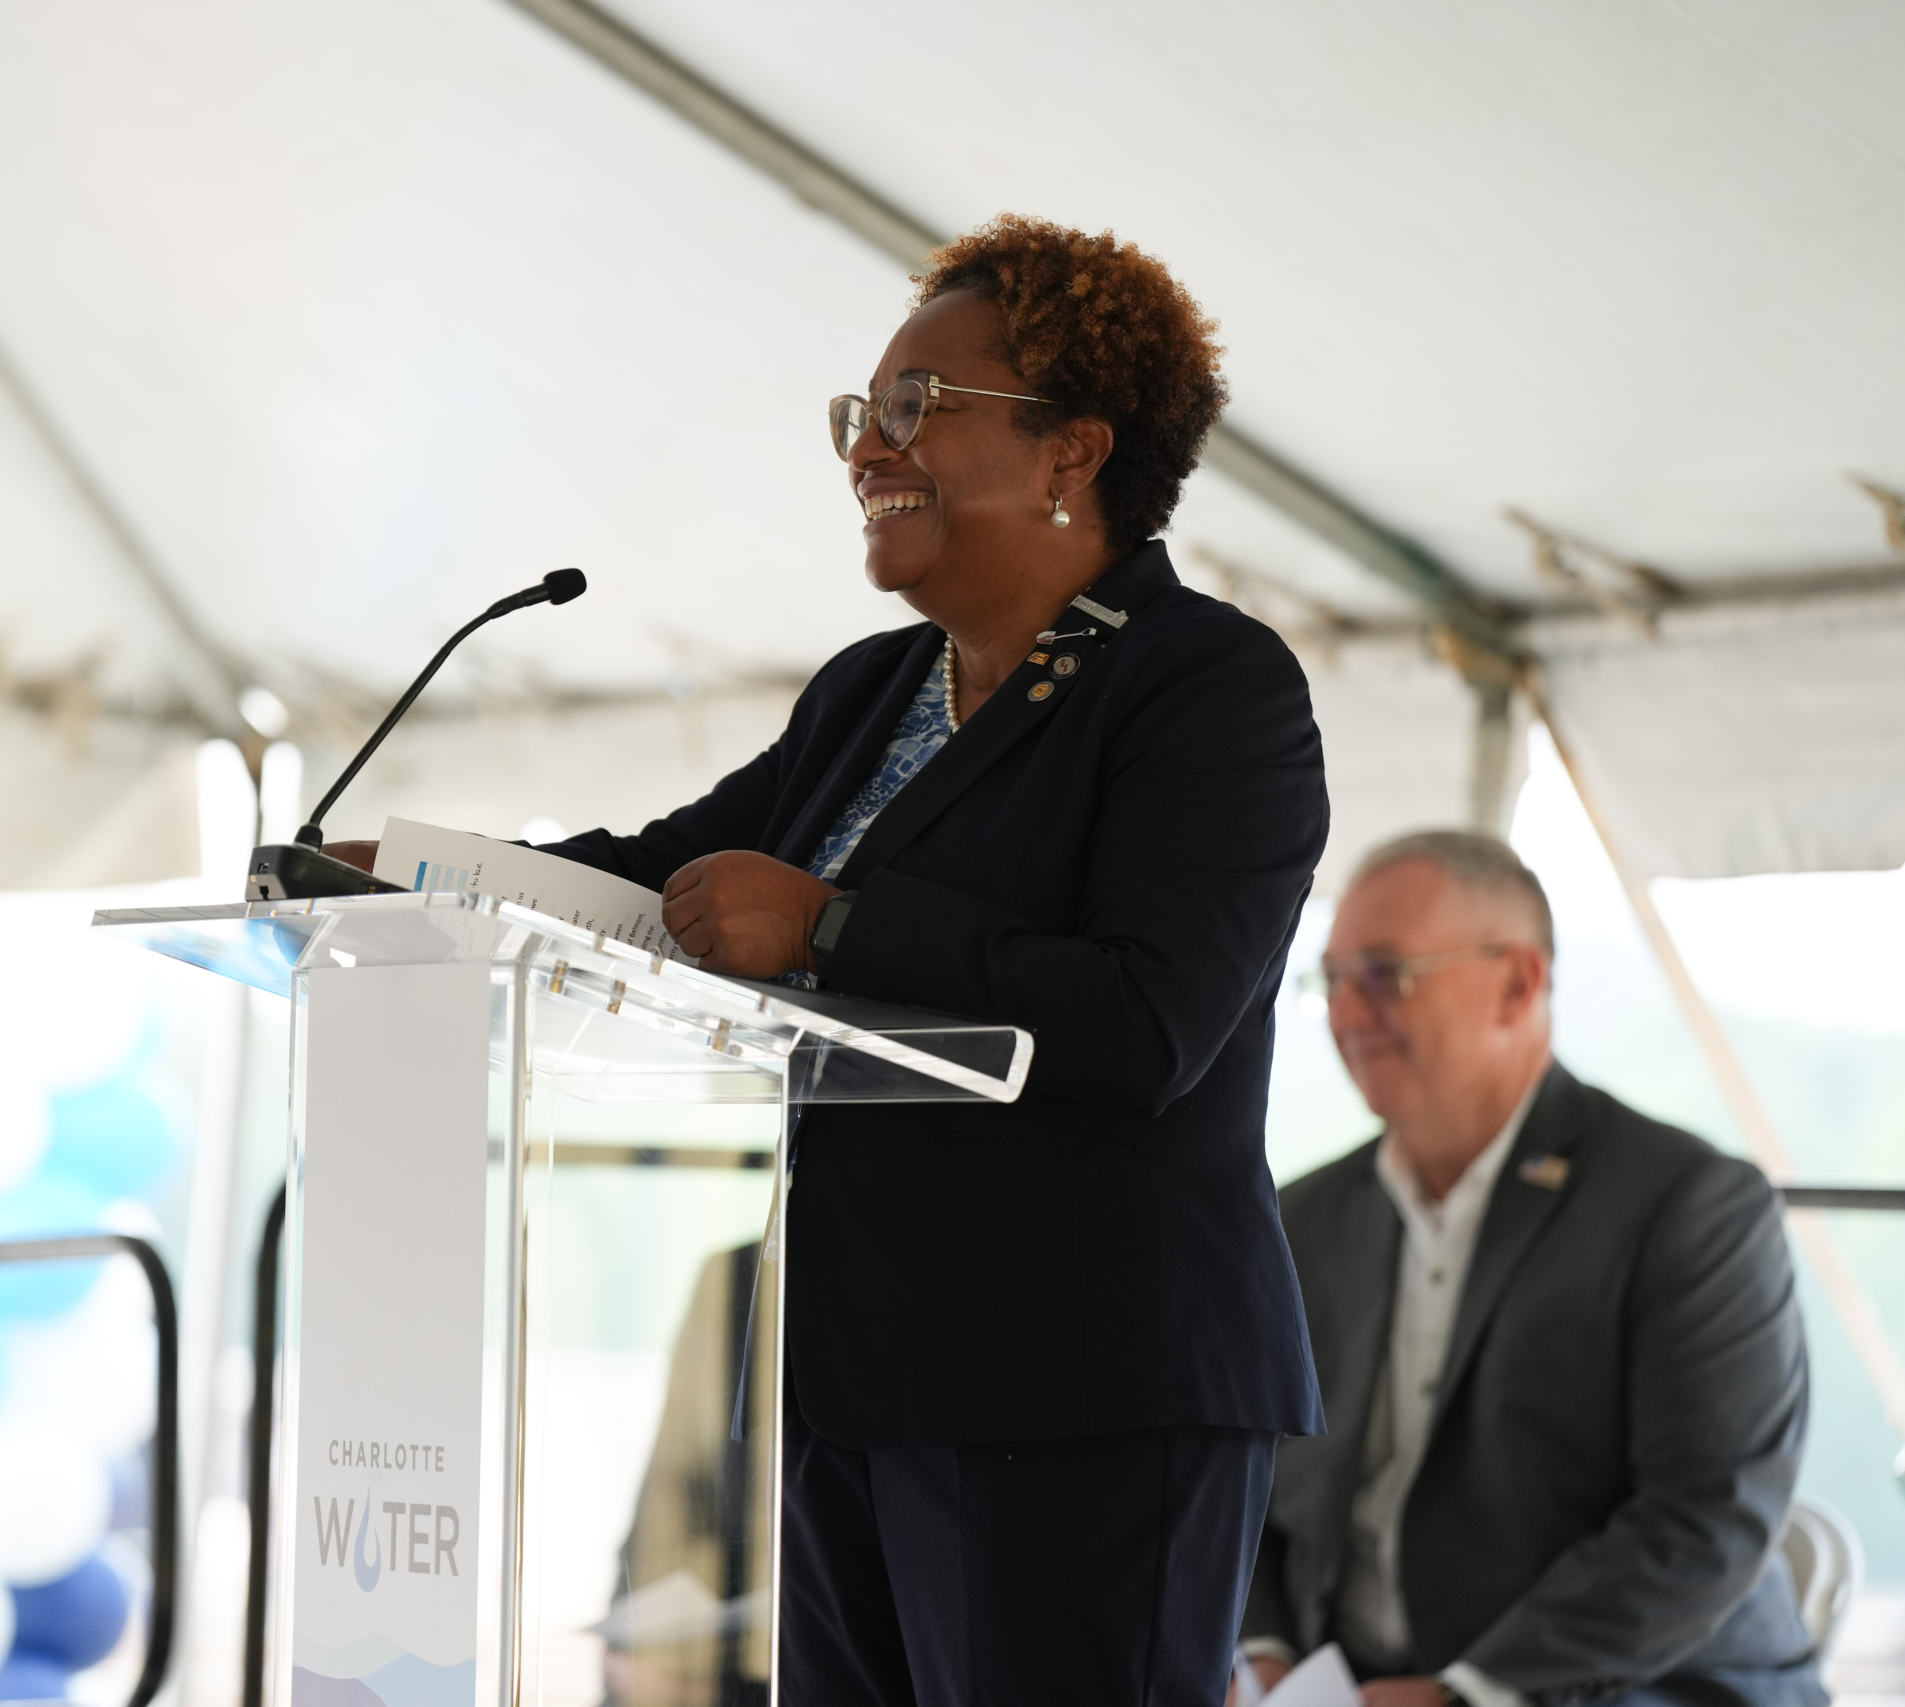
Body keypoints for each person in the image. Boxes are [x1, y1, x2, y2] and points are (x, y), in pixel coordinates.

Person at [341, 214, 1330, 1703]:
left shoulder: (1206, 687)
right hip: (855, 1373)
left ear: (1074, 451)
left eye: (918, 407)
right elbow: (658, 879)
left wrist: (838, 923)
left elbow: (1149, 1018)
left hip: (1085, 1392)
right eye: (862, 414)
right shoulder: (873, 691)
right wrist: (408, 880)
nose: (870, 445)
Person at [1244, 831, 1821, 1707]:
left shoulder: (1690, 1206)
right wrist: (1264, 1651)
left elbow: (1706, 1516)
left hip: (1639, 1684)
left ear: (1518, 983)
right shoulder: (1303, 1217)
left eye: (1384, 973)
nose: (1347, 1015)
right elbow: (1244, 1479)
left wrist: (1468, 1693)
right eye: (1332, 980)